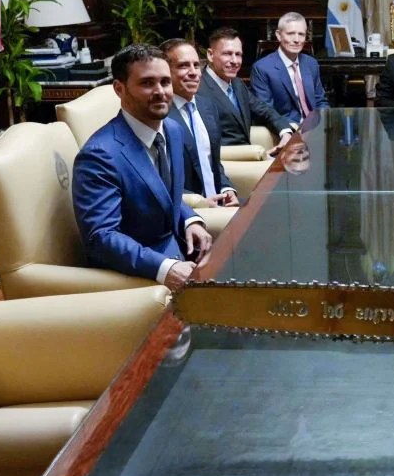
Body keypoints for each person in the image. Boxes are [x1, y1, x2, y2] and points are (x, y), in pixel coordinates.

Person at [72, 44, 212, 290]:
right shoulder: (99, 155)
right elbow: (101, 237)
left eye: (165, 82)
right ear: (119, 89)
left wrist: (190, 220)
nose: (160, 92)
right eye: (147, 83)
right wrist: (165, 268)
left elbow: (162, 195)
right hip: (137, 280)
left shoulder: (172, 130)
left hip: (183, 254)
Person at [160, 38, 239, 208]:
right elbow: (161, 180)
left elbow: (213, 162)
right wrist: (198, 203)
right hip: (189, 211)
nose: (193, 72)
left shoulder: (207, 106)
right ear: (164, 72)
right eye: (183, 66)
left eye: (196, 65)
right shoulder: (159, 116)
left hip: (219, 204)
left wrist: (226, 188)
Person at [196, 27, 294, 153]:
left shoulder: (237, 84)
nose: (234, 61)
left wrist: (285, 132)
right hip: (227, 160)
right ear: (210, 54)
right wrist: (255, 155)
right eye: (227, 54)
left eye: (238, 54)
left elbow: (263, 109)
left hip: (250, 155)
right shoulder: (198, 89)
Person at [250, 12, 329, 124]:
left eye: (301, 34)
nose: (296, 39)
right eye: (291, 34)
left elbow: (320, 101)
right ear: (278, 35)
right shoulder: (262, 68)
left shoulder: (311, 63)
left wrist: (324, 121)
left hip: (315, 127)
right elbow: (266, 111)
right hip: (286, 127)